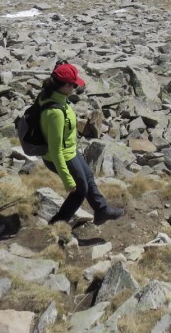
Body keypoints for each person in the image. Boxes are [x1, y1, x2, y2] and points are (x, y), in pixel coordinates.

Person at [38, 62, 124, 226]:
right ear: (64, 86)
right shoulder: (55, 113)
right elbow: (56, 151)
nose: (75, 88)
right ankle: (57, 224)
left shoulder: (51, 95)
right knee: (80, 189)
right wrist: (67, 180)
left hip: (70, 150)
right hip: (60, 156)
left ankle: (101, 210)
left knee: (88, 176)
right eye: (73, 85)